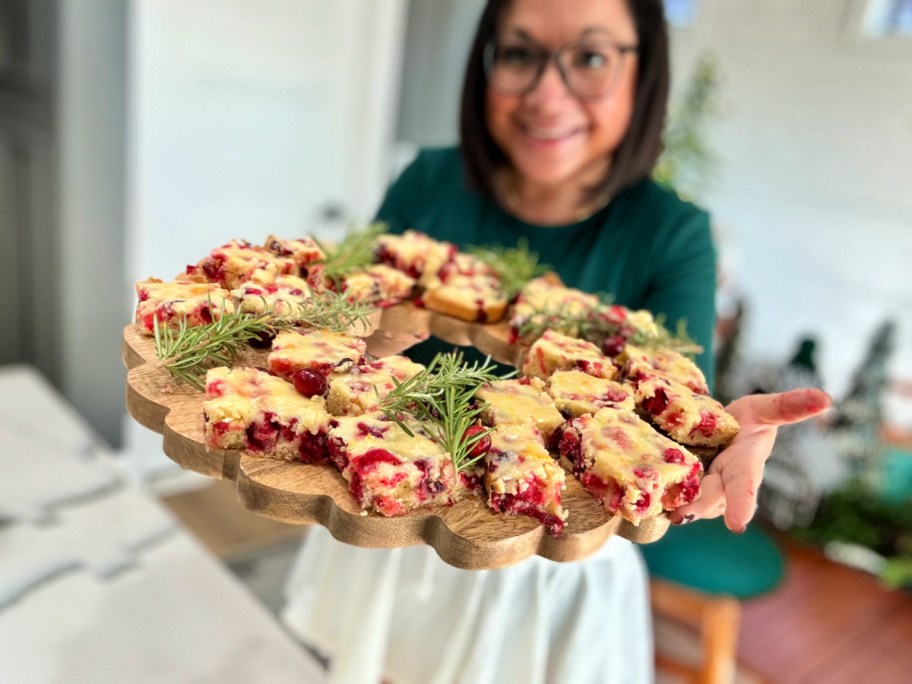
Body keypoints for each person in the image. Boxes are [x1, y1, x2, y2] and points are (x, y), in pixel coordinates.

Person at [282, 1, 832, 682]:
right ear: (485, 63)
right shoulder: (428, 179)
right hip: (391, 522)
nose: (547, 93)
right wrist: (357, 335)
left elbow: (676, 402)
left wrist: (711, 437)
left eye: (591, 58)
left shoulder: (673, 235)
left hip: (543, 578)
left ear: (644, 73)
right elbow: (333, 331)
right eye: (519, 54)